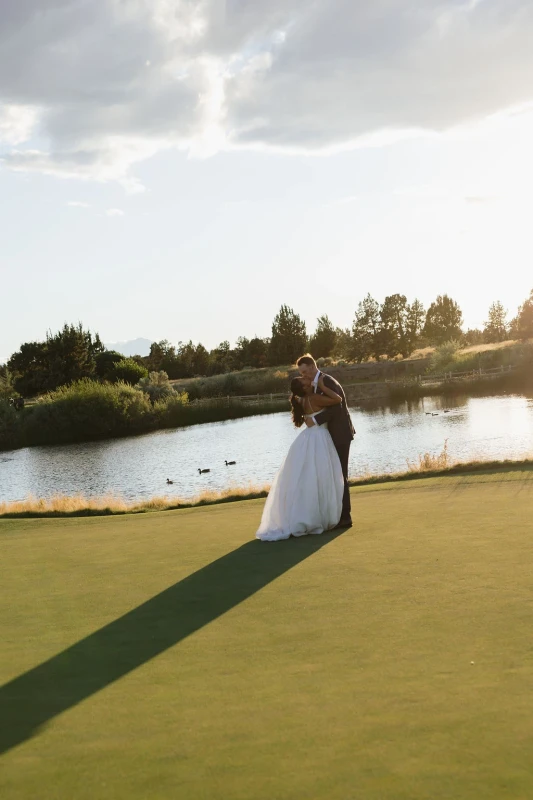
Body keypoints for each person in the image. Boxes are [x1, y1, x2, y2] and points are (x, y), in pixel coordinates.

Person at [255, 375, 345, 541]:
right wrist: (324, 387)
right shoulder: (315, 398)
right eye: (305, 382)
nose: (308, 380)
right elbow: (337, 399)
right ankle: (318, 517)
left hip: (308, 437)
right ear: (304, 388)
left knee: (307, 477)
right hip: (320, 438)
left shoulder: (301, 401)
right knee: (321, 476)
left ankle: (304, 515)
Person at [297, 354, 355, 529]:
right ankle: (336, 514)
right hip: (329, 436)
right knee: (333, 475)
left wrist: (315, 420)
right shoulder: (315, 385)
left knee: (340, 475)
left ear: (313, 367)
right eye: (301, 373)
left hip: (340, 434)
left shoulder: (326, 381)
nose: (303, 376)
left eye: (305, 372)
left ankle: (345, 517)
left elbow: (338, 406)